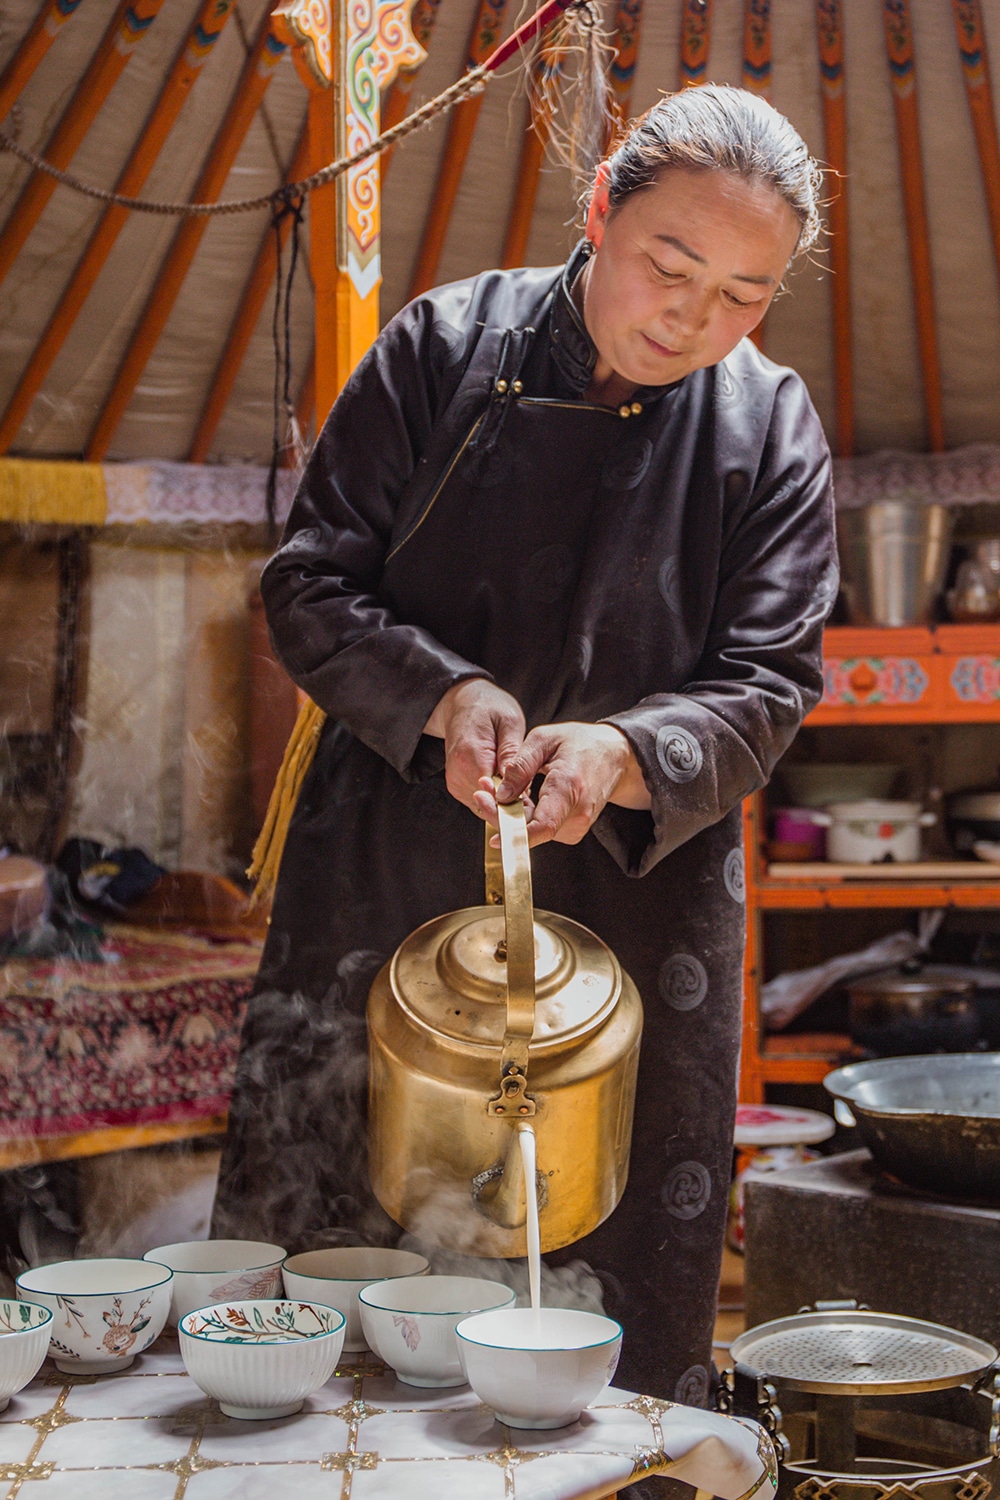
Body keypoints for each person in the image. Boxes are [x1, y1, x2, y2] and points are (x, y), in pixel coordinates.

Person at [212, 83, 838, 1430]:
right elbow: (310, 586)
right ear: (602, 204)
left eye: (743, 293)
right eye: (671, 265)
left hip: (636, 872)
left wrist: (620, 749)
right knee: (348, 1235)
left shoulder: (769, 425)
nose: (693, 317)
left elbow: (774, 682)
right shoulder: (444, 346)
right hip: (397, 850)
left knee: (608, 1268)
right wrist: (448, 698)